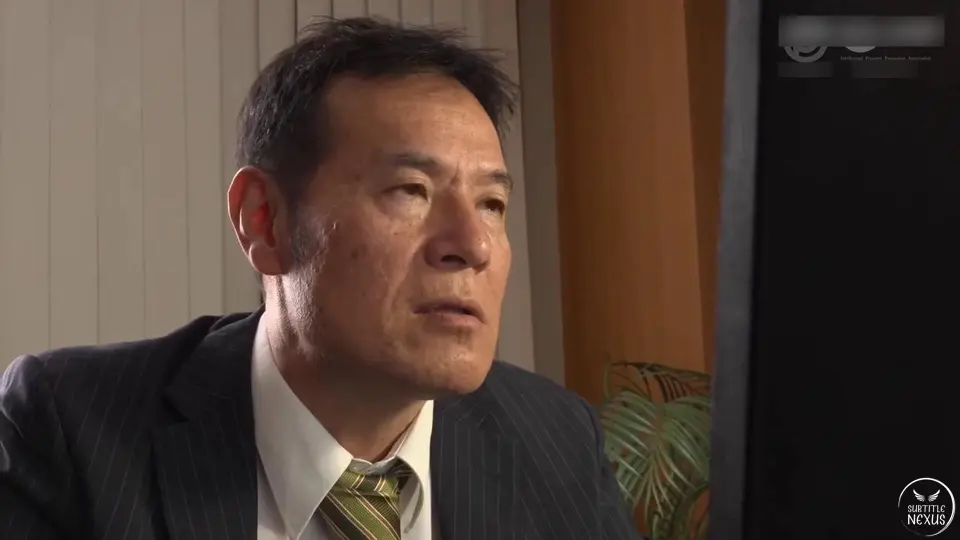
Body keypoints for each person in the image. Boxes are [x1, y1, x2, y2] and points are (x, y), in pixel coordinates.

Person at [0, 17, 642, 540]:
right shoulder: (75, 430)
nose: (472, 246)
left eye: (492, 204)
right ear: (265, 221)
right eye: (411, 191)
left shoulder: (554, 442)